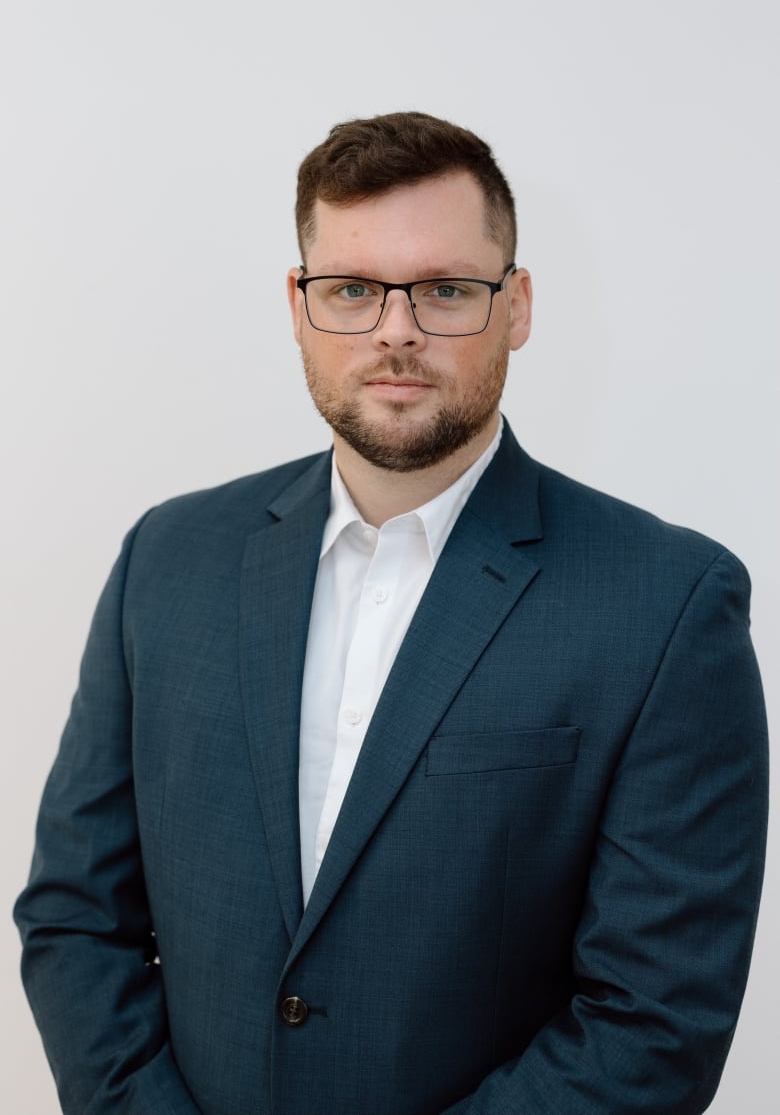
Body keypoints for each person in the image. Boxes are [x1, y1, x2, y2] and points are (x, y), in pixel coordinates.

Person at [15, 111, 768, 1115]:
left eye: (448, 290)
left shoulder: (667, 604)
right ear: (299, 303)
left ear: (519, 305)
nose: (396, 330)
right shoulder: (169, 558)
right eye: (354, 291)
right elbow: (76, 919)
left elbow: (653, 1022)